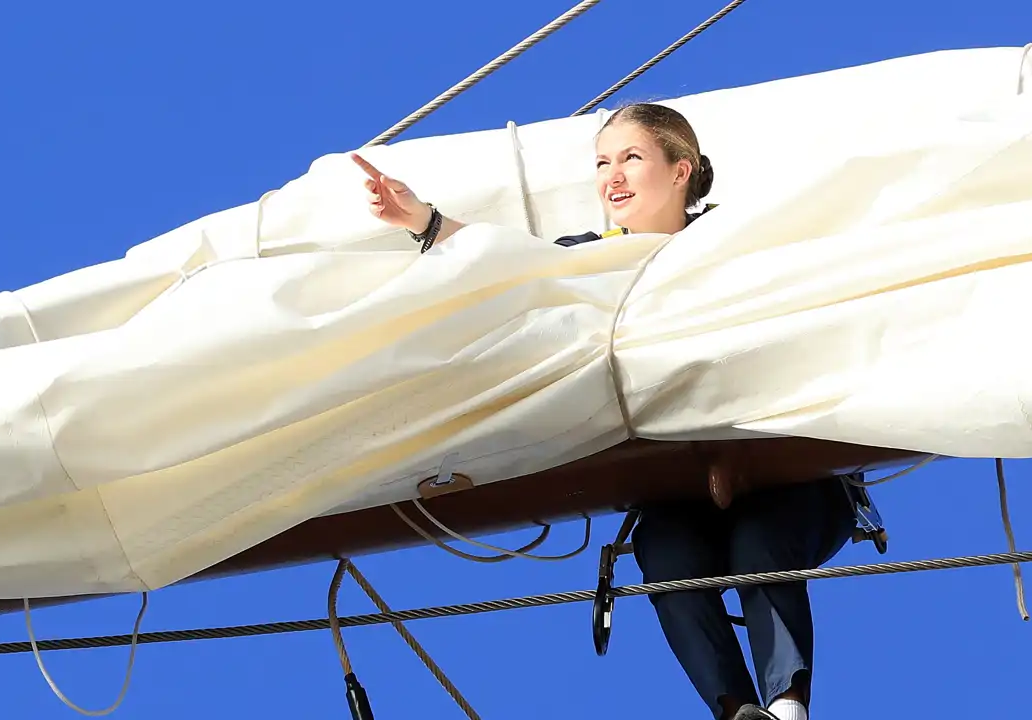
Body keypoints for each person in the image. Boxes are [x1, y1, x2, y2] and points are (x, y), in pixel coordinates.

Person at [350, 102, 858, 720]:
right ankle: (734, 711)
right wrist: (422, 220)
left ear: (680, 171)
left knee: (760, 543)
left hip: (784, 474)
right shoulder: (590, 260)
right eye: (601, 163)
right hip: (675, 485)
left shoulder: (736, 239)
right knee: (664, 555)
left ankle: (787, 708)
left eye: (631, 158)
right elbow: (511, 266)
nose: (611, 176)